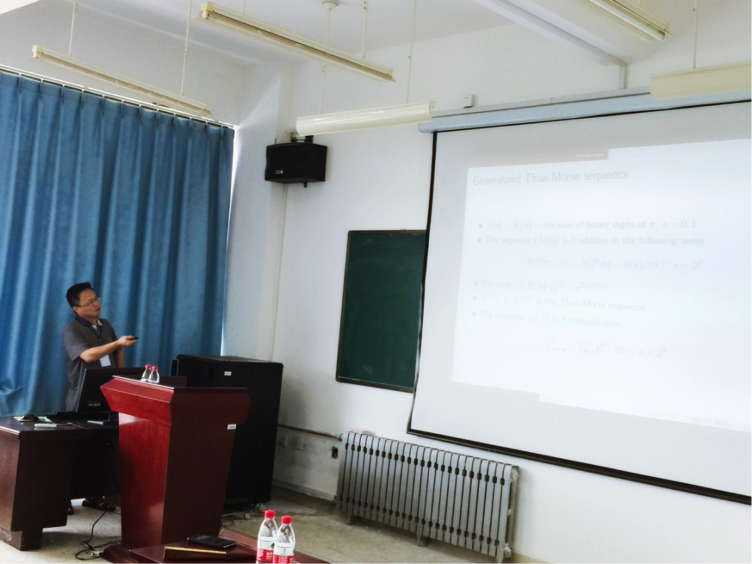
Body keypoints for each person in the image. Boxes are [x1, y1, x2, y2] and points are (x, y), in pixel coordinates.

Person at [62, 281, 137, 513]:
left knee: (103, 446)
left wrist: (121, 377)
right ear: (76, 308)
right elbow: (87, 355)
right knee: (77, 448)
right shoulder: (71, 330)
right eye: (90, 302)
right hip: (82, 394)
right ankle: (63, 498)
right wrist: (117, 342)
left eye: (96, 299)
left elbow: (118, 351)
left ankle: (94, 496)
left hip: (108, 392)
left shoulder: (106, 325)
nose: (96, 304)